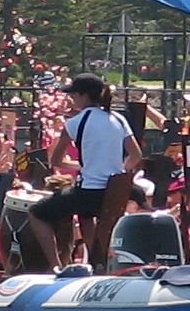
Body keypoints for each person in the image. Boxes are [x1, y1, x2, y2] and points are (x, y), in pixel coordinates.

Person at [29, 73, 142, 270]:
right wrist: (117, 170)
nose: (72, 99)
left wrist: (83, 167)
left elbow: (55, 160)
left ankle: (57, 266)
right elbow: (136, 156)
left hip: (90, 192)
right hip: (116, 191)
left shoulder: (75, 122)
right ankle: (97, 262)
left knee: (36, 213)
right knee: (85, 216)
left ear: (84, 96)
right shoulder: (118, 119)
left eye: (74, 95)